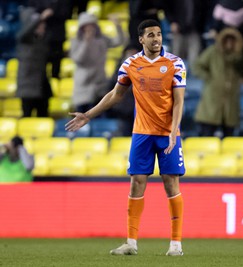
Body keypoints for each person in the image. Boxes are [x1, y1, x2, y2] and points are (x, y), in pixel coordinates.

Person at [65, 19, 186, 256]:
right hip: (141, 133)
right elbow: (115, 95)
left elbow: (179, 100)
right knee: (136, 183)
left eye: (159, 34)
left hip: (167, 133)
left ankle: (176, 244)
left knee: (171, 183)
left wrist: (174, 131)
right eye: (151, 35)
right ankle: (131, 243)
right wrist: (88, 115)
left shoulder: (175, 63)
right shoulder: (131, 64)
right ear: (141, 39)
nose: (156, 38)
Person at [193, 27, 243, 138]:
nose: (230, 43)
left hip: (230, 106)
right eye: (227, 40)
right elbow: (197, 66)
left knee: (229, 140)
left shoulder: (239, 57)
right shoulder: (212, 51)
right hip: (211, 102)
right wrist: (209, 77)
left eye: (232, 40)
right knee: (207, 138)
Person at [69, 12, 124, 113]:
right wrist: (86, 42)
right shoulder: (76, 41)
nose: (90, 29)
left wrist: (118, 25)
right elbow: (78, 59)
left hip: (100, 85)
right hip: (83, 87)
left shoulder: (101, 39)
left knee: (99, 117)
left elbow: (119, 41)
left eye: (92, 25)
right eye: (87, 26)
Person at [16, 6, 53, 117]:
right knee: (27, 116)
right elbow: (25, 32)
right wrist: (40, 18)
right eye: (41, 26)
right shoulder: (24, 40)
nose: (43, 28)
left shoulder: (41, 42)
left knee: (43, 116)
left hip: (41, 85)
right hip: (28, 86)